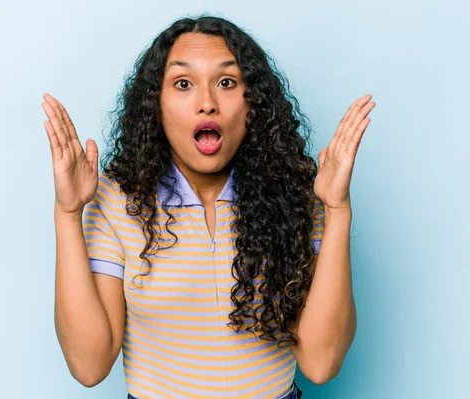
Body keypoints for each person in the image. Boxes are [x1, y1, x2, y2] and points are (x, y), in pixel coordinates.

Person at [43, 15, 374, 399]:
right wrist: (67, 215)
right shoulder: (117, 199)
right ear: (157, 105)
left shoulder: (297, 196)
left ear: (253, 103)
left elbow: (321, 364)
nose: (207, 104)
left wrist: (337, 211)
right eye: (183, 84)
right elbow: (89, 366)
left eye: (227, 83)